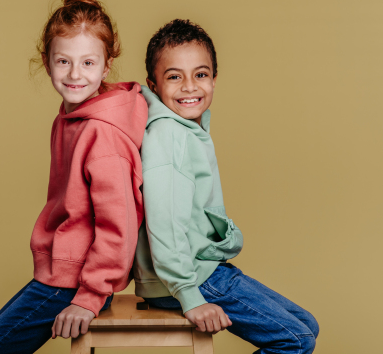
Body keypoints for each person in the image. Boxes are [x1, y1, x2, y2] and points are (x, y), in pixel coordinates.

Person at [0, 0, 147, 354]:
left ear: (107, 64)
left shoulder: (101, 132)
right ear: (47, 62)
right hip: (60, 273)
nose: (75, 74)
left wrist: (91, 295)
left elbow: (120, 224)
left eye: (88, 63)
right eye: (64, 62)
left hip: (75, 281)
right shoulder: (70, 117)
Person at [133, 19, 319, 353]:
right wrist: (189, 296)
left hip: (205, 267)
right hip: (186, 278)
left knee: (306, 326)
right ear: (154, 84)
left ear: (214, 80)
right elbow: (163, 223)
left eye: (200, 75)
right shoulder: (168, 135)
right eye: (174, 76)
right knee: (295, 340)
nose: (190, 87)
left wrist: (223, 234)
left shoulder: (189, 129)